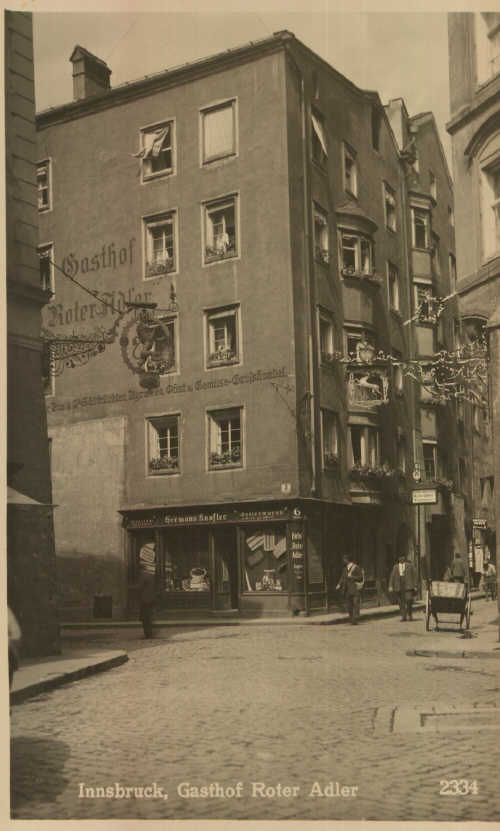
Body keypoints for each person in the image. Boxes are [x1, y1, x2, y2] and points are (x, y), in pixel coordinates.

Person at [336, 555, 364, 625]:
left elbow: (360, 577)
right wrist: (339, 584)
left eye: (344, 559)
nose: (343, 561)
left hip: (355, 589)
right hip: (347, 589)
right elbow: (342, 577)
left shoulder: (356, 567)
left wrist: (352, 577)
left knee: (355, 604)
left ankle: (354, 619)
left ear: (347, 560)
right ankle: (351, 619)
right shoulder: (345, 569)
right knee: (349, 605)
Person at [388, 554, 417, 621]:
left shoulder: (409, 565)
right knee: (401, 602)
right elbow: (392, 576)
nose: (401, 559)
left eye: (402, 557)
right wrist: (390, 586)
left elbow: (414, 576)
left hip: (408, 585)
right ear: (398, 559)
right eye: (400, 557)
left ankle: (409, 614)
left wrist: (415, 585)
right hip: (399, 585)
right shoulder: (395, 567)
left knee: (409, 600)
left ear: (404, 558)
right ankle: (403, 616)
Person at [136, 569, 157, 638]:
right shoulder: (152, 576)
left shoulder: (142, 576)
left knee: (145, 617)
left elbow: (139, 587)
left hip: (144, 599)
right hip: (151, 598)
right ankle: (150, 632)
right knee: (149, 616)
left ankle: (147, 633)